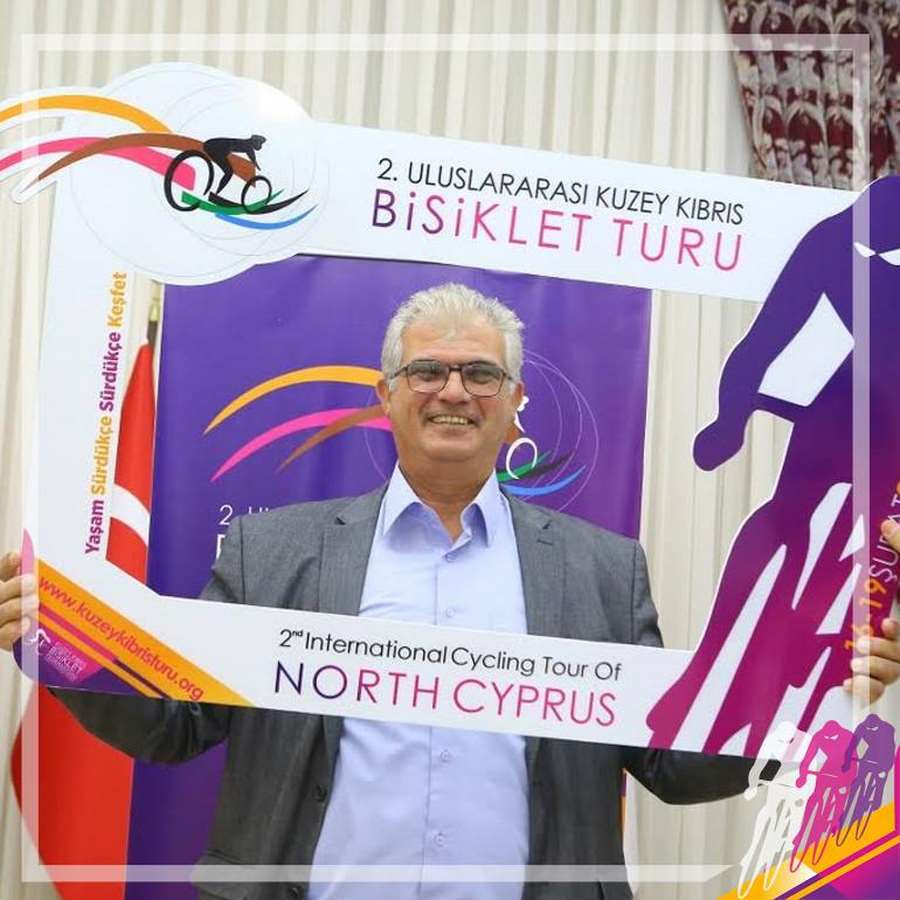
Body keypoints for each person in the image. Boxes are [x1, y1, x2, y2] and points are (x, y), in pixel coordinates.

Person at [1, 284, 898, 900]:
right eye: (427, 372)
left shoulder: (602, 571)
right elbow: (177, 723)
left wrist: (818, 688)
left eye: (481, 374)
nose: (453, 392)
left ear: (514, 403)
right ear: (387, 396)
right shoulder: (274, 552)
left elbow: (671, 764)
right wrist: (58, 643)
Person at [201, 133, 266, 195]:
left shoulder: (247, 145)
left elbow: (253, 159)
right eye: (260, 143)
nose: (260, 145)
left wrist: (256, 166)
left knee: (228, 171)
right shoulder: (248, 146)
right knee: (229, 172)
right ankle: (217, 193)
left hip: (211, 145)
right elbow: (253, 160)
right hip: (212, 146)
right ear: (255, 141)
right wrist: (257, 166)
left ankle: (217, 192)